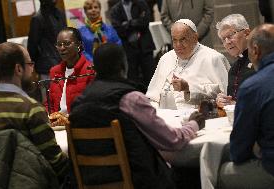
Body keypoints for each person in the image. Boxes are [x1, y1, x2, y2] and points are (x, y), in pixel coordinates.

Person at [70, 43, 205, 188]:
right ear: (123, 66)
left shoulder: (79, 102)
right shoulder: (130, 99)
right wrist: (193, 124)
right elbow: (171, 140)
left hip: (90, 181)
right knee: (191, 173)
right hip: (136, 181)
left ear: (94, 69)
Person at [0, 42, 69, 183]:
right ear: (19, 69)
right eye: (30, 64)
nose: (32, 69)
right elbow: (55, 162)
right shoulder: (31, 109)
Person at [218, 23, 274, 189]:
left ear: (255, 50)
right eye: (223, 39)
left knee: (219, 172)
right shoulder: (235, 70)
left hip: (271, 168)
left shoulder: (253, 86)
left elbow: (239, 151)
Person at [146, 19, 230, 109]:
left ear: (195, 38)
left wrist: (189, 88)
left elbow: (224, 95)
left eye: (183, 39)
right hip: (165, 115)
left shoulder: (213, 58)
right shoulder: (166, 58)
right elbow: (152, 97)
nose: (178, 45)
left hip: (197, 117)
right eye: (174, 40)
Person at [47, 27, 95, 126]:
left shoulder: (90, 70)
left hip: (79, 125)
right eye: (59, 45)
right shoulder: (54, 71)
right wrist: (51, 116)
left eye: (67, 43)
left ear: (78, 45)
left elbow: (92, 105)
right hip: (57, 125)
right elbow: (49, 102)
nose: (62, 48)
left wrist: (68, 119)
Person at [110, 0, 156, 88]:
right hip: (128, 49)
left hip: (145, 46)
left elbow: (145, 22)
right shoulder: (115, 10)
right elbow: (118, 29)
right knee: (133, 80)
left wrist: (127, 23)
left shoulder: (141, 3)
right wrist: (136, 22)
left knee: (152, 78)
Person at [27, 0, 66, 102]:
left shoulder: (60, 14)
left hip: (64, 64)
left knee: (65, 102)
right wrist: (33, 68)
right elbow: (32, 47)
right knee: (50, 104)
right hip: (47, 69)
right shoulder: (38, 19)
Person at [216, 14, 255, 108]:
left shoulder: (261, 59)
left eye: (230, 36)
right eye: (223, 39)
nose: (227, 42)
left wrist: (237, 105)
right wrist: (223, 102)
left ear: (247, 33)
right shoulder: (233, 69)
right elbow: (232, 101)